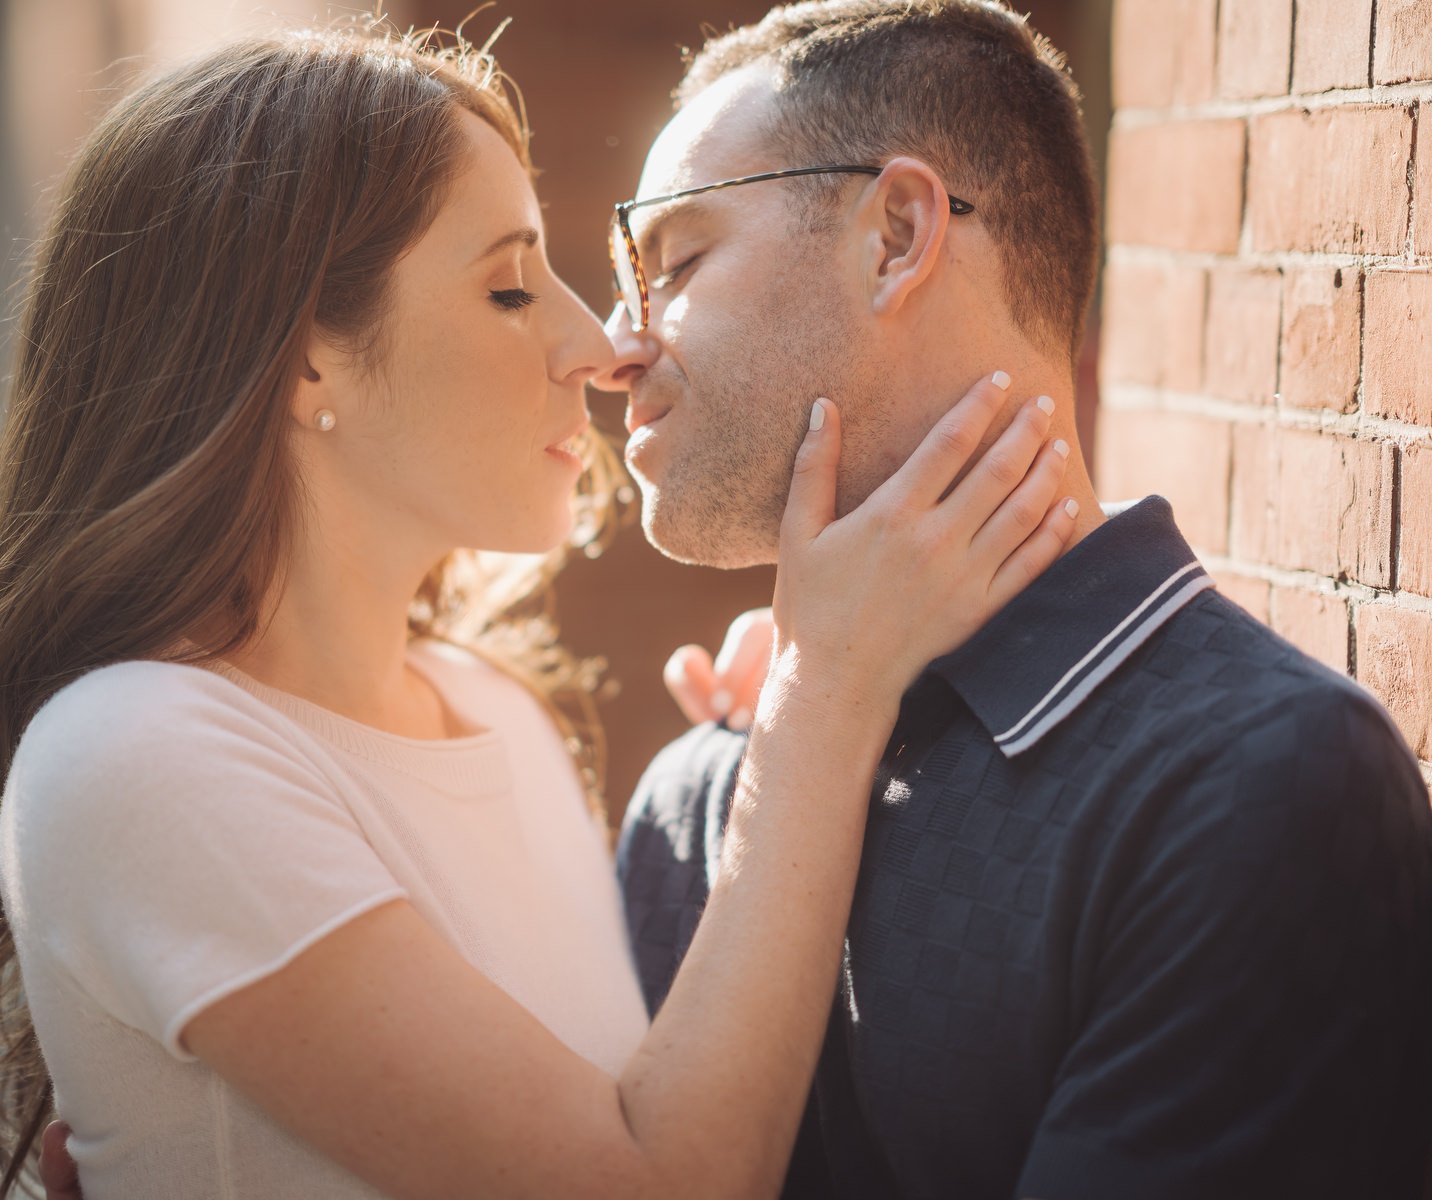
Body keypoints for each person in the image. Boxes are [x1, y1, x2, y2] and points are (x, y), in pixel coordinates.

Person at [0, 21, 1078, 1200]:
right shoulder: (138, 753)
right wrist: (829, 689)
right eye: (509, 288)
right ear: (304, 358)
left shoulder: (501, 715)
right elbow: (660, 1180)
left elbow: (672, 1089)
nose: (599, 344)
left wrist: (787, 732)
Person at [604, 2, 1432, 1197]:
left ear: (896, 233)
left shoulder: (1260, 786)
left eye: (673, 262)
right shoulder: (693, 803)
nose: (617, 343)